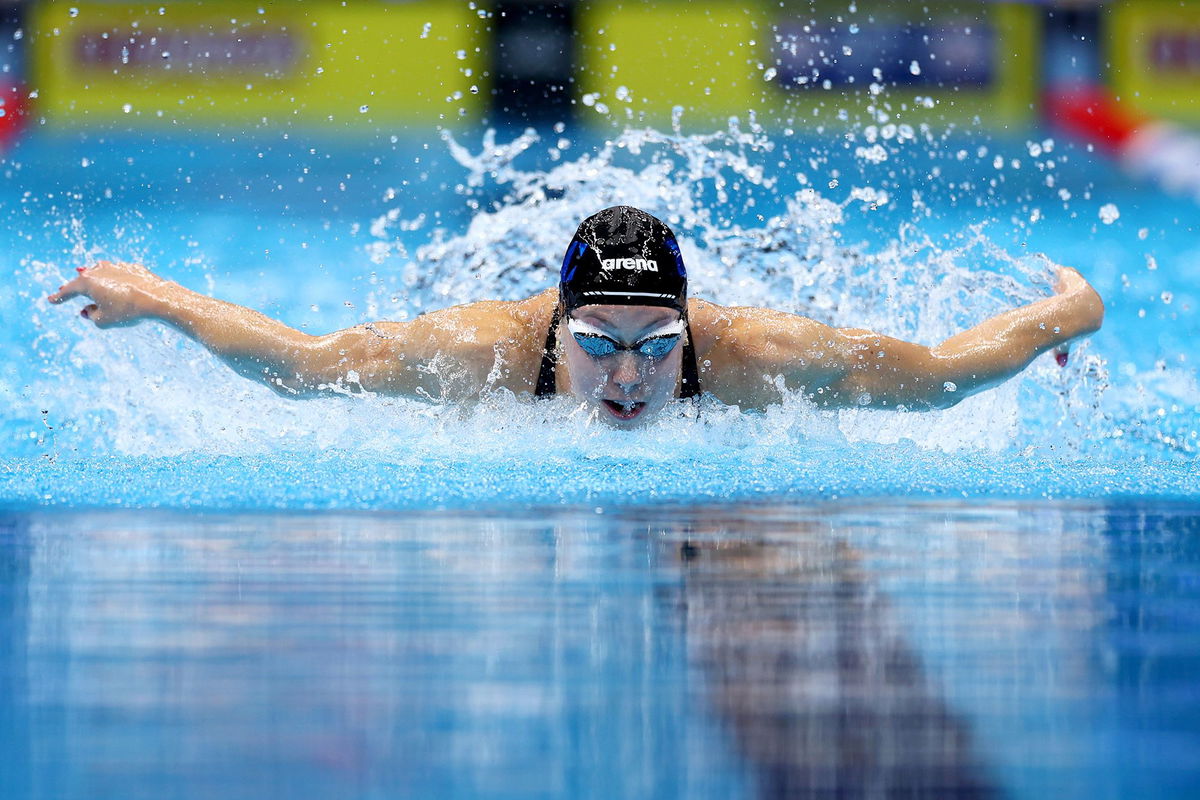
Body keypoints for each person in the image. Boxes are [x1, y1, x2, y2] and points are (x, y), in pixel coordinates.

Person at [47, 205, 1104, 427]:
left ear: (691, 331)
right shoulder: (479, 351)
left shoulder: (756, 355)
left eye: (656, 345)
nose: (631, 376)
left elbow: (939, 374)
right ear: (558, 328)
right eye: (600, 343)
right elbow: (303, 362)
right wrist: (157, 299)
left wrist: (1068, 311)